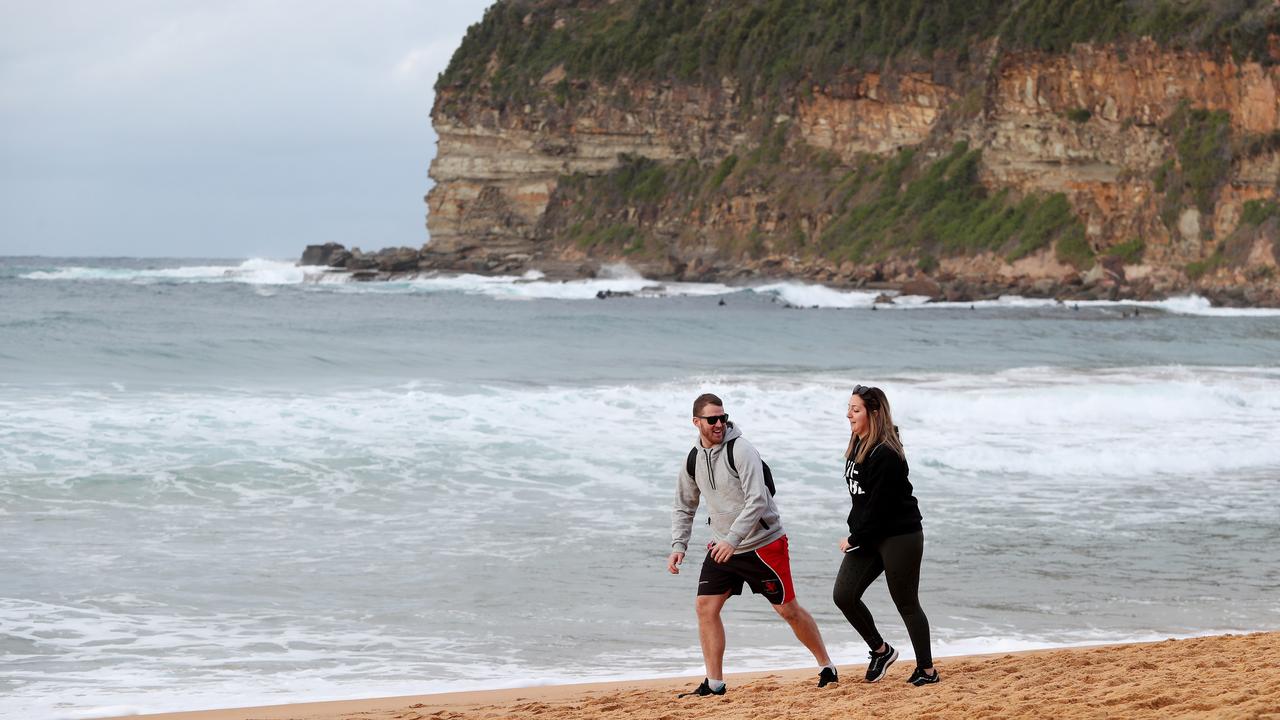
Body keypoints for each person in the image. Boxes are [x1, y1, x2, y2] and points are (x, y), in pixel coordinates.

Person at [668, 393, 837, 697]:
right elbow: (685, 505)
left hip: (763, 544)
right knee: (705, 607)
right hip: (724, 546)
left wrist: (733, 539)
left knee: (788, 610)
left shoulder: (742, 450)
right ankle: (715, 683)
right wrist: (679, 545)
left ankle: (826, 666)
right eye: (712, 419)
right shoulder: (692, 459)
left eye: (723, 417)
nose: (720, 423)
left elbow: (757, 500)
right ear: (696, 422)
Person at [832, 385, 939, 686]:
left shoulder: (886, 454)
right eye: (849, 408)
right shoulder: (858, 443)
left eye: (855, 409)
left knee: (906, 602)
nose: (849, 414)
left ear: (873, 412)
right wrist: (858, 533)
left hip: (899, 535)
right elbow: (863, 502)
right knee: (844, 595)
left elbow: (880, 508)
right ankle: (881, 650)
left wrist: (853, 539)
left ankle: (927, 671)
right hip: (869, 533)